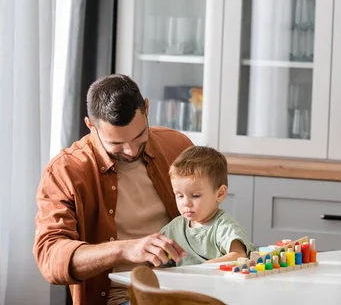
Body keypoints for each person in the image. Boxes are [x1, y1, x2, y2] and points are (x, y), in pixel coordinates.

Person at [33, 74, 193, 305]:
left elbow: (208, 217)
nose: (130, 151)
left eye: (139, 136)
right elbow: (51, 258)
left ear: (146, 108)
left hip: (187, 286)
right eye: (116, 143)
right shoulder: (65, 172)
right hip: (121, 297)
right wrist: (124, 250)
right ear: (90, 125)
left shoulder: (177, 145)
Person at [160, 145, 254, 266]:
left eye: (195, 195)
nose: (186, 203)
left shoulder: (224, 227)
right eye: (179, 195)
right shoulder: (173, 229)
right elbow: (159, 261)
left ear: (220, 194)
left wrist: (203, 268)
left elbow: (238, 256)